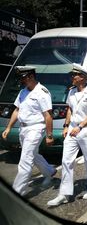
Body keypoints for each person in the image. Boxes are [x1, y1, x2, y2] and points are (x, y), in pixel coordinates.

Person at [47, 63, 87, 207]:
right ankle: (64, 194)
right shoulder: (71, 92)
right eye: (72, 75)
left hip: (86, 129)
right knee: (66, 160)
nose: (72, 77)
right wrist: (66, 125)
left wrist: (80, 126)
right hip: (72, 129)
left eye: (74, 75)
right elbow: (70, 109)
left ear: (83, 77)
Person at [2, 66, 56, 196]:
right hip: (23, 128)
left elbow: (48, 115)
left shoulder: (42, 92)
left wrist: (49, 135)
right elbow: (17, 110)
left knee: (25, 160)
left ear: (31, 77)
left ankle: (16, 193)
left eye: (23, 78)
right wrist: (8, 127)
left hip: (36, 128)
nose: (21, 81)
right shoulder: (23, 92)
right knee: (33, 154)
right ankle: (49, 171)